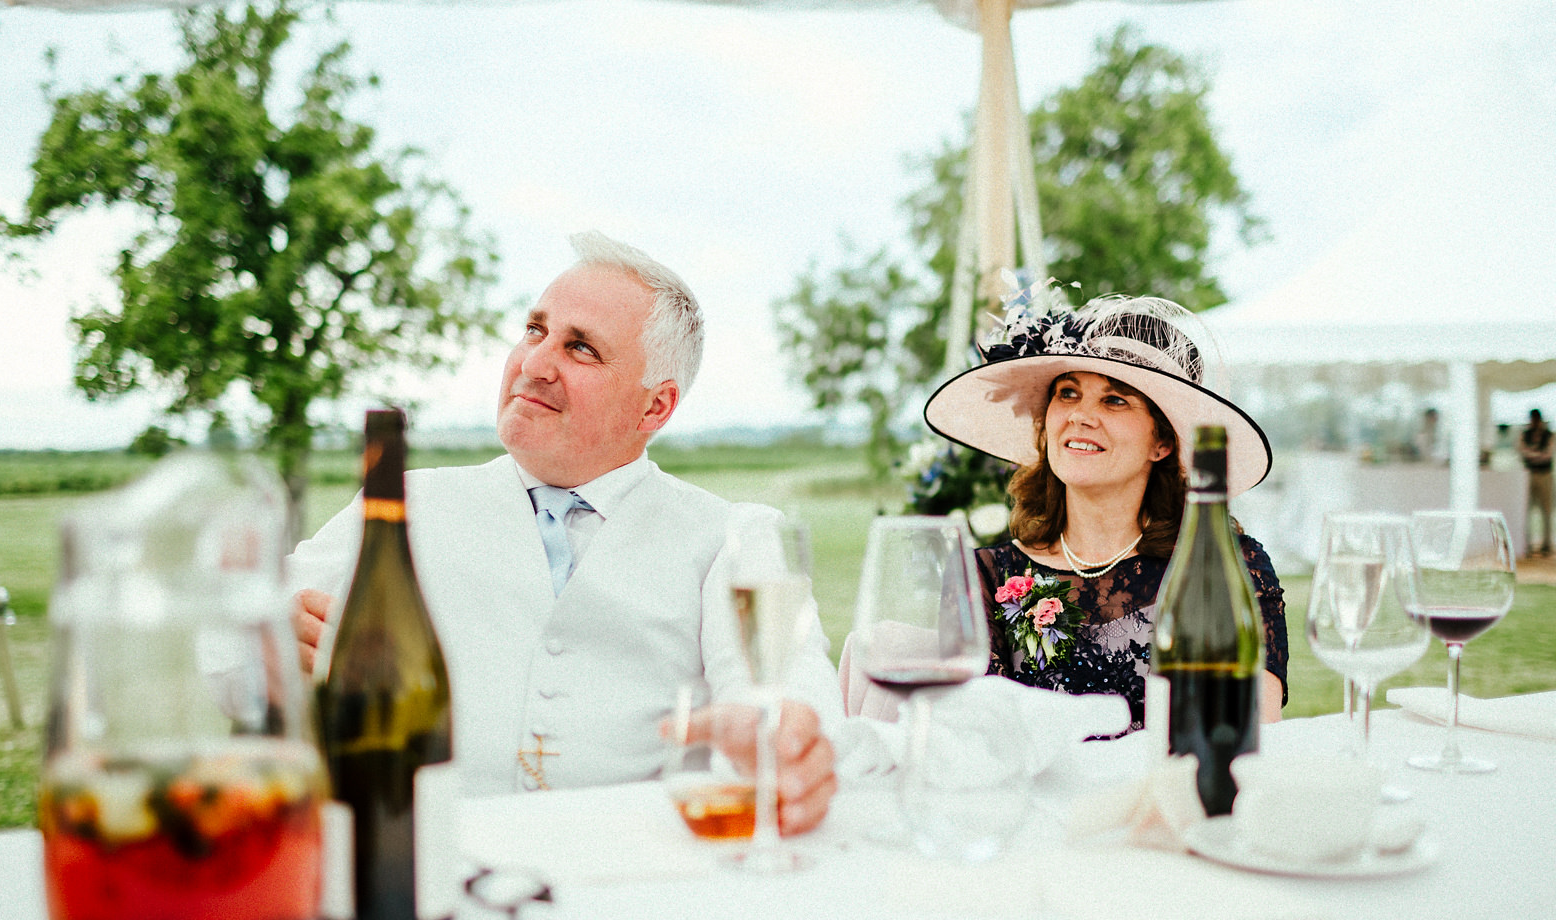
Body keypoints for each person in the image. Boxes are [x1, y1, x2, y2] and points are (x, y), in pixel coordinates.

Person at [288, 232, 839, 834]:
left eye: (581, 349)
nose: (533, 364)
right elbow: (234, 652)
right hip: (428, 861)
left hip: (636, 872)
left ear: (654, 408)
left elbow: (787, 687)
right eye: (534, 330)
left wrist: (787, 734)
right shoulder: (403, 505)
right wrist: (272, 642)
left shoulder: (733, 535)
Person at [922, 292, 1288, 737]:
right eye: (1068, 393)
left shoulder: (1229, 568)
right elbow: (972, 739)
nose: (1079, 416)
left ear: (1163, 443)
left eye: (1114, 401)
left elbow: (1253, 733)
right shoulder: (982, 577)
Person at [1519, 409, 1554, 558]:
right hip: (1529, 475)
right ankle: (1526, 543)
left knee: (1546, 510)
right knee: (1526, 510)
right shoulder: (1525, 434)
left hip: (1544, 474)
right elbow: (1522, 451)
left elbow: (1548, 454)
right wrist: (1536, 454)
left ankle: (1546, 544)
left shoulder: (1549, 435)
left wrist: (1533, 454)